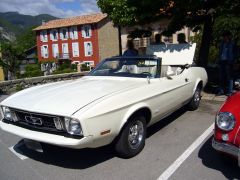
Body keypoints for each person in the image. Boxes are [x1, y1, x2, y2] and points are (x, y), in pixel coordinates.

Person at [218, 31, 237, 96]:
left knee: (230, 77)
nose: (224, 38)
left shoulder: (232, 43)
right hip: (222, 61)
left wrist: (234, 61)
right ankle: (221, 91)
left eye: (225, 36)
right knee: (221, 77)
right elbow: (220, 52)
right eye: (223, 37)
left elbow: (235, 53)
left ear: (228, 36)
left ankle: (230, 92)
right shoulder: (222, 43)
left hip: (229, 62)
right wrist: (219, 59)